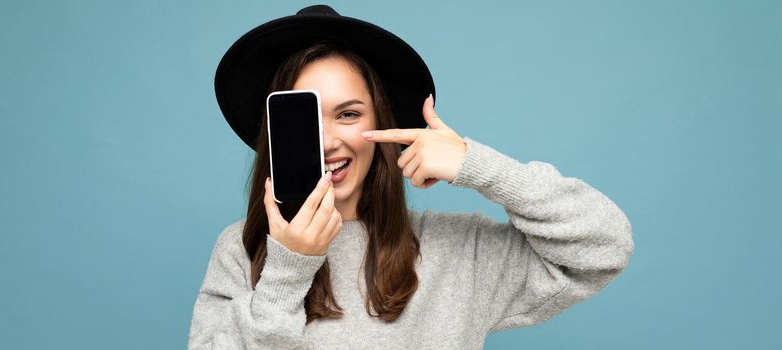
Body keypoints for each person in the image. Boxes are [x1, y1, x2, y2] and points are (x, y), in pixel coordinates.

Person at [188, 5, 634, 350]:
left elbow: (605, 247)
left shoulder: (457, 251)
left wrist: (476, 166)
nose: (326, 142)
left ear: (381, 125)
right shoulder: (241, 250)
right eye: (305, 120)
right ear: (276, 134)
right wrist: (287, 270)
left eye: (348, 114)